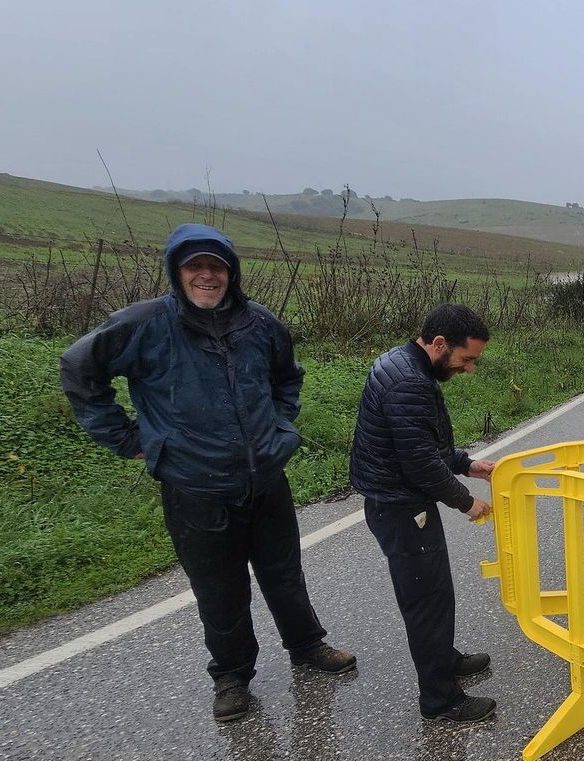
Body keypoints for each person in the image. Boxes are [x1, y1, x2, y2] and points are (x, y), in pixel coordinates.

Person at [60, 224, 355, 724]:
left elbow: (287, 377)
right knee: (219, 588)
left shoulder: (259, 323)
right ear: (176, 272)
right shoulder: (144, 324)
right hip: (195, 486)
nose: (206, 276)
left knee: (284, 573)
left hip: (265, 478)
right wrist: (129, 439)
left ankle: (307, 645)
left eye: (215, 266)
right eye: (194, 266)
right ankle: (232, 676)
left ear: (230, 272)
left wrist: (280, 426)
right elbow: (78, 369)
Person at [350, 304, 497, 724]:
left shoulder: (402, 363)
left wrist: (466, 464)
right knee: (427, 601)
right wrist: (467, 501)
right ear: (439, 343)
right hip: (401, 507)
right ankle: (441, 700)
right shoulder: (410, 383)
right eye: (466, 358)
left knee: (434, 592)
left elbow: (419, 441)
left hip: (396, 500)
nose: (469, 369)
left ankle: (443, 659)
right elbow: (419, 461)